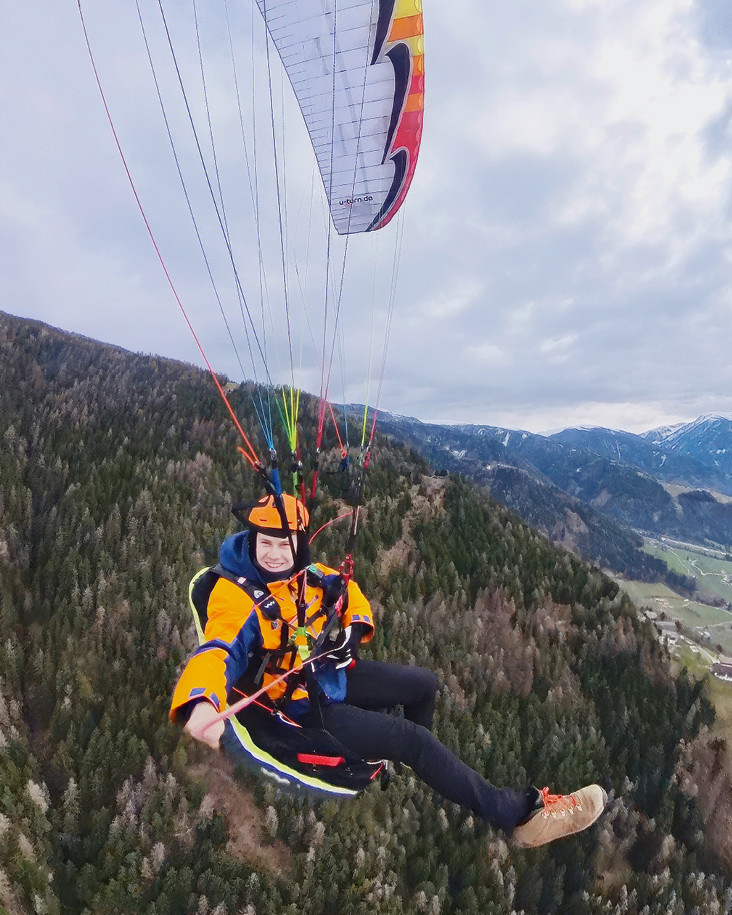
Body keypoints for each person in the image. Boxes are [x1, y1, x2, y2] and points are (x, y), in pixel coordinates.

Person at [170, 494, 607, 848]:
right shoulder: (237, 598)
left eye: (283, 543)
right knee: (412, 741)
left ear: (299, 544)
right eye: (265, 541)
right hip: (303, 706)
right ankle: (518, 815)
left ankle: (424, 764)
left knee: (424, 686)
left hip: (329, 673)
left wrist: (354, 633)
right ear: (252, 537)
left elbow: (349, 594)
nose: (272, 552)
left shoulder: (309, 574)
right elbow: (218, 650)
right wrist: (201, 701)